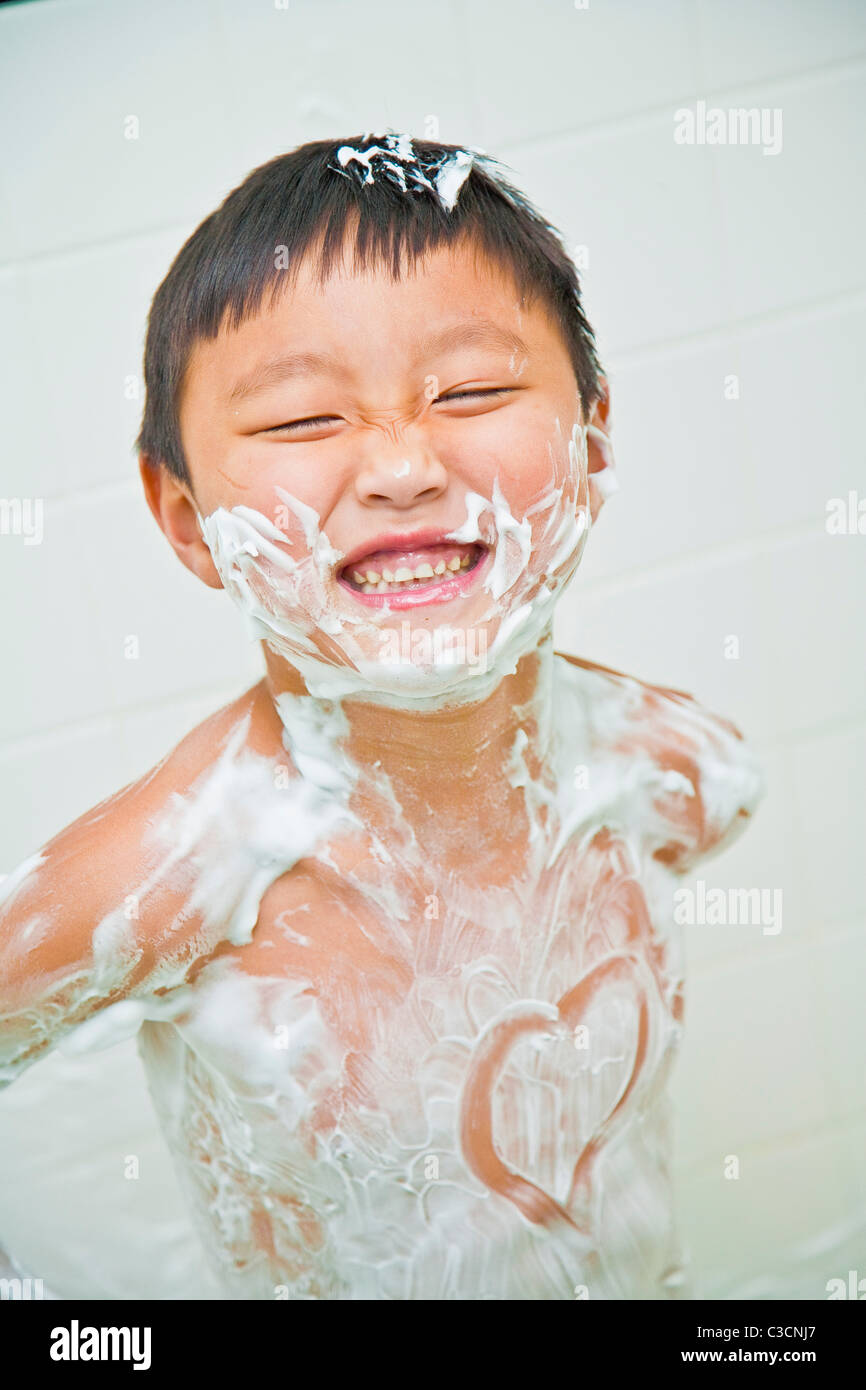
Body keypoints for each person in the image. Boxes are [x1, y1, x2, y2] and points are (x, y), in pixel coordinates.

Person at [0, 133, 764, 1299]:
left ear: (593, 437)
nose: (403, 464)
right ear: (187, 519)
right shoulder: (175, 876)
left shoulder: (668, 769)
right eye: (305, 422)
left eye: (472, 391)